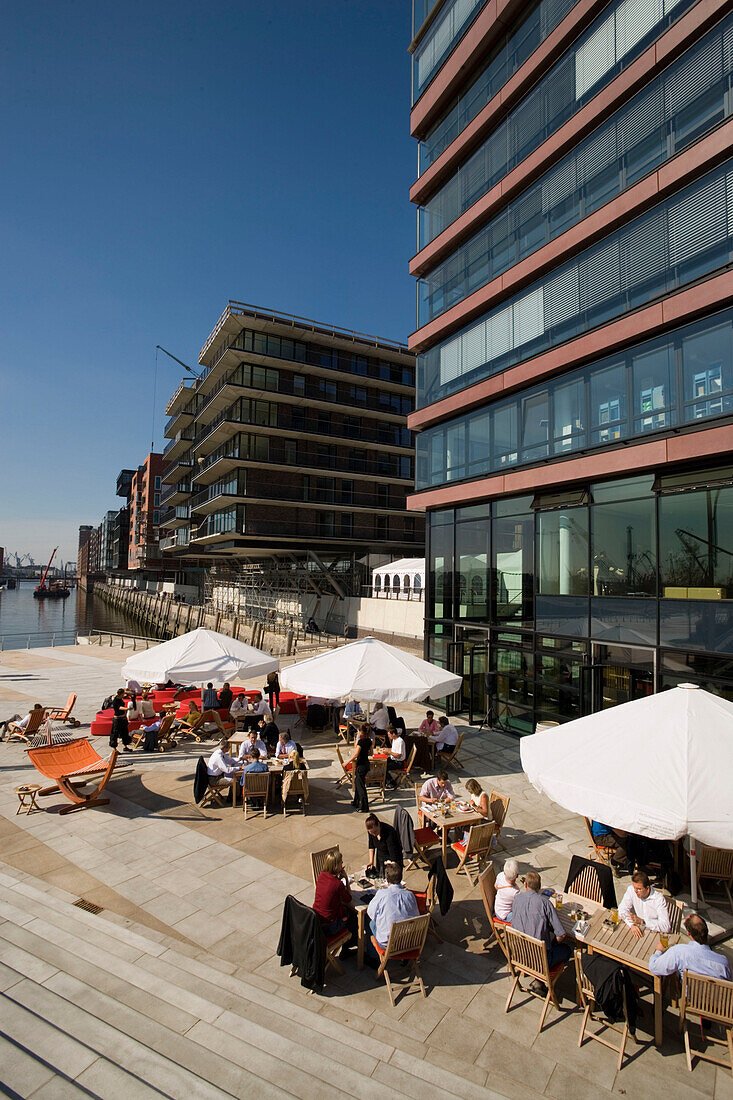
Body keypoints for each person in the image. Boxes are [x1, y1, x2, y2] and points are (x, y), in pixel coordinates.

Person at [511, 871, 571, 980]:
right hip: (541, 961)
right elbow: (561, 934)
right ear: (539, 887)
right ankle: (541, 980)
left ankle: (536, 977)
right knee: (567, 949)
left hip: (519, 955)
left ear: (525, 884)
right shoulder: (545, 904)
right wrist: (553, 944)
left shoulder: (517, 899)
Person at [649, 914, 732, 980]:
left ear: (688, 933)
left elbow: (654, 967)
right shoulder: (723, 963)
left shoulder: (679, 952)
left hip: (690, 999)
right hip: (716, 1000)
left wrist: (658, 951)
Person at [366, 865, 419, 957]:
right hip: (409, 940)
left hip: (389, 944)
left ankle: (372, 957)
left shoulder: (382, 894)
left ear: (387, 880)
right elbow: (416, 915)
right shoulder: (410, 895)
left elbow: (370, 913)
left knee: (370, 922)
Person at [313, 849, 358, 947]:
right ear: (336, 866)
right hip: (330, 926)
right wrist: (345, 878)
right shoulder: (337, 884)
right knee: (353, 916)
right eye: (341, 863)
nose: (342, 865)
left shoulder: (321, 876)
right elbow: (348, 898)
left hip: (317, 922)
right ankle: (349, 945)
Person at [618, 871, 671, 939]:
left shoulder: (658, 899)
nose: (635, 891)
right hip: (640, 931)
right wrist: (632, 925)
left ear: (647, 888)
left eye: (639, 889)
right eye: (635, 888)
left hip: (655, 934)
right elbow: (621, 909)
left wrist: (643, 922)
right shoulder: (631, 890)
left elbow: (666, 927)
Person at [347, 725, 372, 813]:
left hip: (361, 765)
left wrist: (347, 762)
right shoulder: (369, 741)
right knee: (358, 783)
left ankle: (364, 806)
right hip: (366, 764)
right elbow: (371, 752)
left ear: (360, 732)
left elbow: (356, 754)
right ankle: (356, 801)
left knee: (361, 786)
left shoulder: (361, 742)